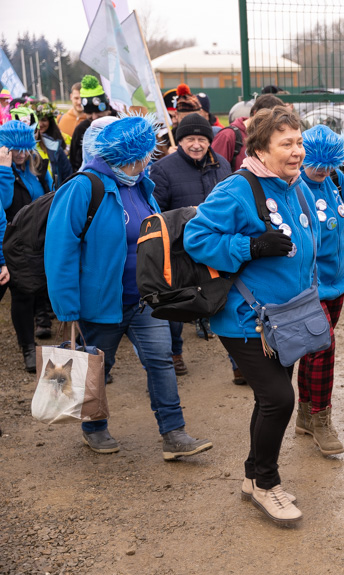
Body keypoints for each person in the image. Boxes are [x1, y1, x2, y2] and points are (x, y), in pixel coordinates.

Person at [45, 114, 213, 460]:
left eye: (144, 159)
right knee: (97, 369)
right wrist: (67, 309)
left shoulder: (141, 184)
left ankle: (174, 433)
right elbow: (59, 251)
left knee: (161, 362)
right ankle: (93, 428)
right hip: (100, 303)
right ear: (117, 157)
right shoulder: (82, 188)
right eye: (137, 160)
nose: (142, 165)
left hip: (144, 299)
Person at [184, 105, 312, 525]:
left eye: (299, 142)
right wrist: (250, 247)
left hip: (287, 316)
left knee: (269, 398)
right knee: (279, 399)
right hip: (247, 319)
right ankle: (265, 484)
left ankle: (251, 475)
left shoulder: (295, 185)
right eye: (286, 144)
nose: (297, 151)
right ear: (261, 146)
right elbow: (196, 238)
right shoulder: (237, 189)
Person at [295, 125, 344, 456]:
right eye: (317, 164)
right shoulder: (292, 187)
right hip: (309, 287)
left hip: (337, 281)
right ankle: (322, 420)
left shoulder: (337, 181)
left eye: (329, 164)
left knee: (315, 351)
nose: (323, 171)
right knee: (324, 346)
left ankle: (305, 413)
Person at [149, 113, 232, 376]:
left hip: (217, 246)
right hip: (180, 249)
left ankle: (238, 362)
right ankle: (174, 353)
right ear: (180, 141)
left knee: (226, 299)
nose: (196, 145)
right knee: (179, 302)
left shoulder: (223, 165)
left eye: (201, 139)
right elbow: (157, 212)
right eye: (189, 139)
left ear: (209, 140)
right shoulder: (163, 168)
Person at [0, 120, 54, 371]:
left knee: (25, 295)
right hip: (4, 240)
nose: (21, 154)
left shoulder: (38, 167)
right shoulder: (4, 169)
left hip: (31, 242)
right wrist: (4, 169)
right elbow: (5, 202)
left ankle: (29, 349)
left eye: (25, 149)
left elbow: (49, 198)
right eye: (15, 149)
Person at [211, 94, 283, 171]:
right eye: (270, 119)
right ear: (256, 113)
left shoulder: (268, 135)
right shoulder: (227, 135)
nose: (273, 125)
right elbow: (215, 172)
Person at [69, 76, 116, 171]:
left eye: (98, 112)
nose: (94, 117)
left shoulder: (121, 123)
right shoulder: (81, 129)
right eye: (89, 113)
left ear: (107, 108)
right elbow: (74, 163)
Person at [32, 101, 73, 183]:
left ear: (50, 122)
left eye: (43, 120)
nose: (40, 124)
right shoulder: (28, 145)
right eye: (37, 120)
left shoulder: (58, 142)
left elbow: (67, 174)